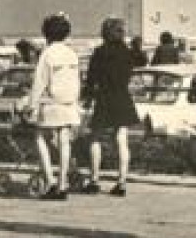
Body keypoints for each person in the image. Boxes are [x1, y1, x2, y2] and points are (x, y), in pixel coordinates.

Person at [24, 12, 81, 201]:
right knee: (64, 141)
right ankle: (62, 184)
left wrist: (31, 105)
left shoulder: (46, 54)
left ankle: (49, 180)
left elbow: (39, 82)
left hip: (51, 103)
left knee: (40, 137)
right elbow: (77, 80)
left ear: (47, 34)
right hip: (69, 103)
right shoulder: (72, 54)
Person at [80, 18, 139, 197]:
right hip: (123, 97)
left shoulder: (99, 53)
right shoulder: (128, 53)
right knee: (122, 140)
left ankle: (94, 180)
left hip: (104, 98)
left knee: (95, 138)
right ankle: (121, 182)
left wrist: (87, 97)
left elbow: (91, 79)